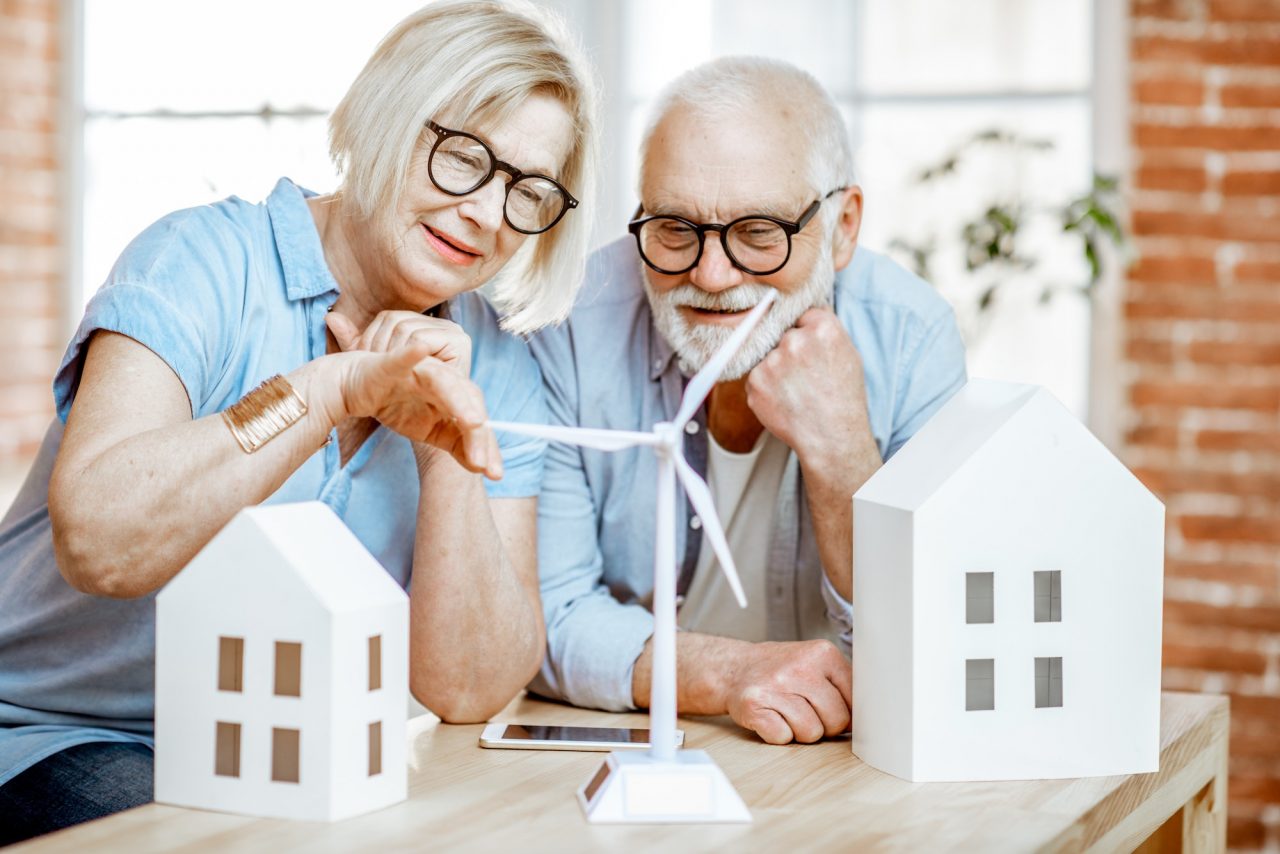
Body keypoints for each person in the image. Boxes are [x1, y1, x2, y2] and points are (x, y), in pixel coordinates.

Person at [0, 0, 597, 841]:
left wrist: (449, 451)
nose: (490, 216)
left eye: (529, 190)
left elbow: (468, 690)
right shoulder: (200, 260)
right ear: (387, 117)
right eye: (465, 157)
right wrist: (324, 394)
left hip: (282, 755)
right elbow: (100, 541)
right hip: (52, 732)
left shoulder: (492, 356)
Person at [529, 56, 967, 746]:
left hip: (846, 757)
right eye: (673, 228)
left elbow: (935, 641)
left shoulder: (912, 339)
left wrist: (843, 452)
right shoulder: (569, 327)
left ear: (844, 226)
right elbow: (546, 616)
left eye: (759, 232)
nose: (709, 274)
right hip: (642, 743)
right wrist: (729, 673)